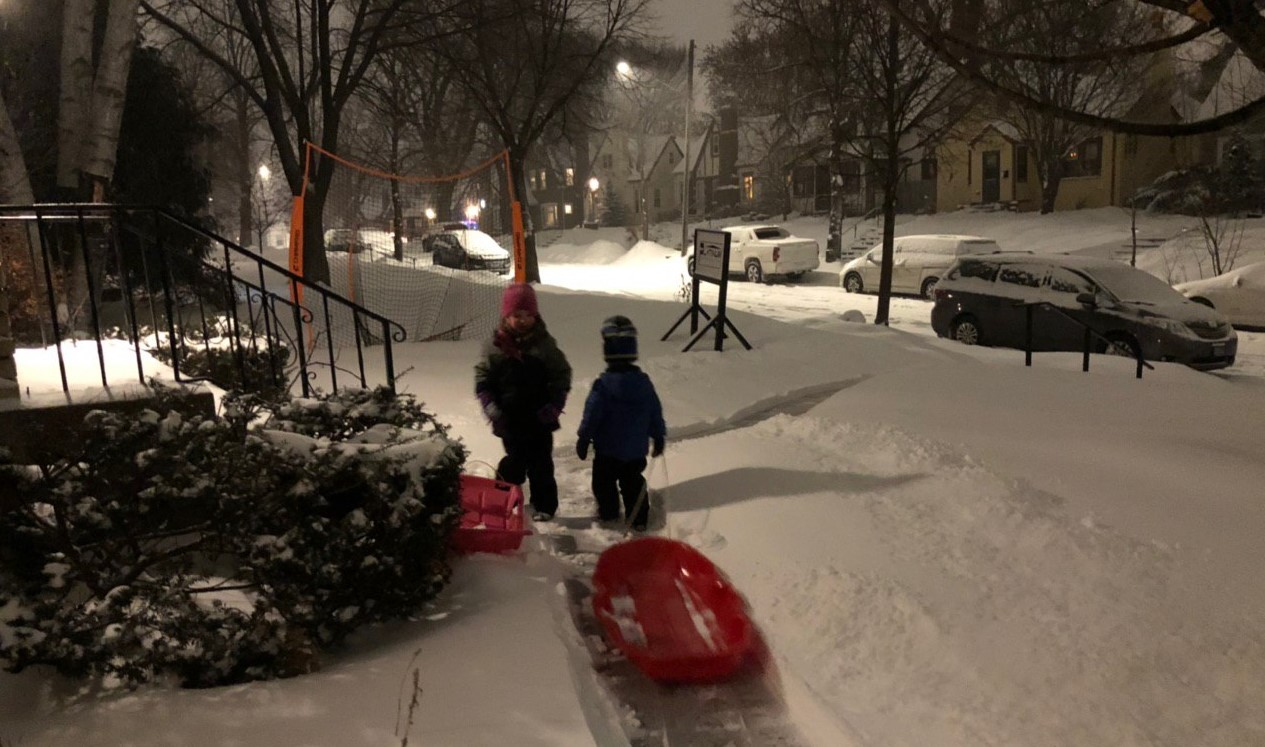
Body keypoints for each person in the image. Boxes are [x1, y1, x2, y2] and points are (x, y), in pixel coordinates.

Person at [474, 283, 572, 522]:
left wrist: (555, 405)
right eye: (517, 315)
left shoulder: (544, 345)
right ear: (506, 316)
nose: (523, 320)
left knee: (541, 464)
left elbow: (561, 375)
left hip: (540, 417)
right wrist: (490, 404)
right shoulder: (495, 347)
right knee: (514, 462)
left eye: (528, 315)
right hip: (509, 418)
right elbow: (483, 378)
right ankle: (505, 503)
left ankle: (545, 506)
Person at [575, 315, 666, 531]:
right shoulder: (644, 384)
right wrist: (658, 435)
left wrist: (584, 437)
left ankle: (609, 513)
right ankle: (639, 519)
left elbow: (592, 415)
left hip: (607, 452)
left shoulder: (603, 386)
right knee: (633, 483)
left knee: (603, 483)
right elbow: (655, 410)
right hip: (635, 452)